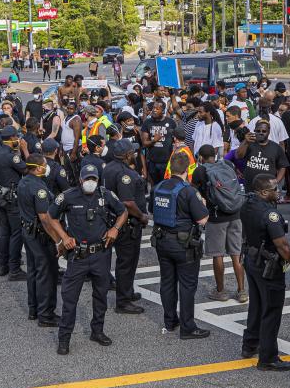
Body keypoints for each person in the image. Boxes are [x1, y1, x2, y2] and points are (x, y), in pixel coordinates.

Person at [50, 164, 127, 354]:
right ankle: (64, 338)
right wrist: (63, 238)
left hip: (101, 254)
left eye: (94, 179)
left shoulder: (105, 195)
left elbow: (123, 211)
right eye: (87, 179)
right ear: (80, 180)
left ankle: (97, 331)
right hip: (78, 255)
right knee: (70, 299)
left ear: (98, 180)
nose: (90, 182)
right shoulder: (68, 196)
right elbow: (52, 216)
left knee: (100, 295)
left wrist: (115, 229)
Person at [239, 173, 290, 370]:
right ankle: (268, 358)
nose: (279, 191)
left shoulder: (248, 204)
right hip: (267, 266)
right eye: (275, 189)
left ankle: (250, 344)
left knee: (257, 305)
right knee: (272, 310)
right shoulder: (270, 214)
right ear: (264, 192)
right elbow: (283, 246)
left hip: (251, 259)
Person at [151, 151, 210, 339]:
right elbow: (202, 219)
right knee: (187, 285)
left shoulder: (158, 187)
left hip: (162, 241)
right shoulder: (188, 191)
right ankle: (188, 327)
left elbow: (152, 210)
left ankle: (170, 321)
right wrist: (203, 203)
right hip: (184, 244)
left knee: (167, 282)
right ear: (187, 169)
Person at [192, 145, 246, 303]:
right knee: (237, 254)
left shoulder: (200, 171)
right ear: (214, 154)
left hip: (216, 217)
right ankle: (242, 291)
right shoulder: (227, 165)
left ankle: (221, 291)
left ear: (201, 157)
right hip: (236, 214)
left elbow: (193, 192)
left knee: (218, 254)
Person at [103, 139, 149, 313]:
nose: (135, 155)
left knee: (126, 261)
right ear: (128, 155)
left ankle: (127, 291)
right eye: (133, 152)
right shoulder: (125, 174)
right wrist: (142, 216)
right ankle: (123, 301)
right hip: (126, 224)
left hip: (112, 219)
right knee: (127, 262)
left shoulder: (108, 168)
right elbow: (128, 203)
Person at [17, 153, 61, 325]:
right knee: (46, 273)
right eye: (44, 164)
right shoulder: (38, 187)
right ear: (37, 168)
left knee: (33, 271)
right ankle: (46, 314)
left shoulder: (24, 181)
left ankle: (34, 309)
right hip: (40, 235)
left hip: (28, 232)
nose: (46, 166)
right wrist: (58, 240)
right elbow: (44, 218)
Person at [0, 126, 28, 281]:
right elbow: (25, 170)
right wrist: (24, 151)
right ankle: (14, 268)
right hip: (12, 198)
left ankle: (3, 264)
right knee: (16, 233)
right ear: (12, 138)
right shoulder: (12, 156)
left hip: (0, 196)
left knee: (4, 232)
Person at [236, 119, 289, 193]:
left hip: (268, 188)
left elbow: (283, 166)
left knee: (267, 204)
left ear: (268, 132)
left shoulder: (276, 147)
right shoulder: (249, 143)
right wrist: (245, 141)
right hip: (250, 187)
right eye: (258, 131)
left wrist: (276, 181)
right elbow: (239, 156)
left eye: (264, 131)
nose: (261, 133)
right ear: (254, 131)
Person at [141, 101, 176, 185]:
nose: (154, 110)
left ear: (163, 110)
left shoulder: (171, 122)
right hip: (153, 162)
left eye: (157, 109)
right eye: (153, 108)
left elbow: (176, 141)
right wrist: (154, 140)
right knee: (155, 186)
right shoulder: (147, 122)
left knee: (166, 185)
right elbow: (144, 143)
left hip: (167, 162)